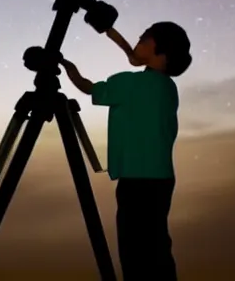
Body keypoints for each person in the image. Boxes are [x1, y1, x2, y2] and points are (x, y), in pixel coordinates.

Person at [60, 22, 192, 281]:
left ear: (160, 50)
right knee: (157, 250)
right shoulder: (168, 87)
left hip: (136, 180)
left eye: (144, 38)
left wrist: (67, 66)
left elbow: (89, 87)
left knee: (135, 255)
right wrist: (113, 35)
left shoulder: (130, 83)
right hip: (161, 178)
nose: (138, 41)